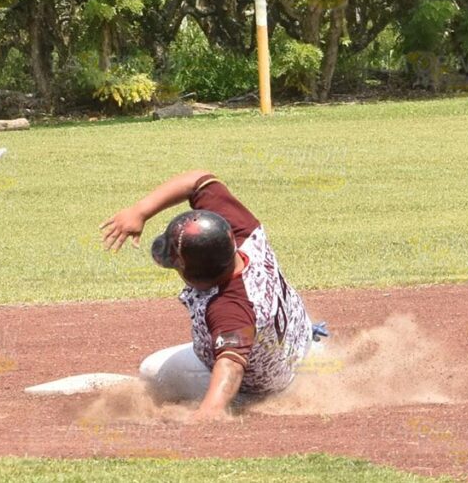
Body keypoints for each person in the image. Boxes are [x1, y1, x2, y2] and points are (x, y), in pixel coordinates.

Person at [101, 170, 328, 421]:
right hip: (302, 347)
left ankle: (243, 400)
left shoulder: (229, 306)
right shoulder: (244, 233)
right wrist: (139, 211)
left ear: (196, 276)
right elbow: (197, 180)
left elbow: (230, 364)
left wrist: (210, 410)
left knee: (153, 370)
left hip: (267, 385)